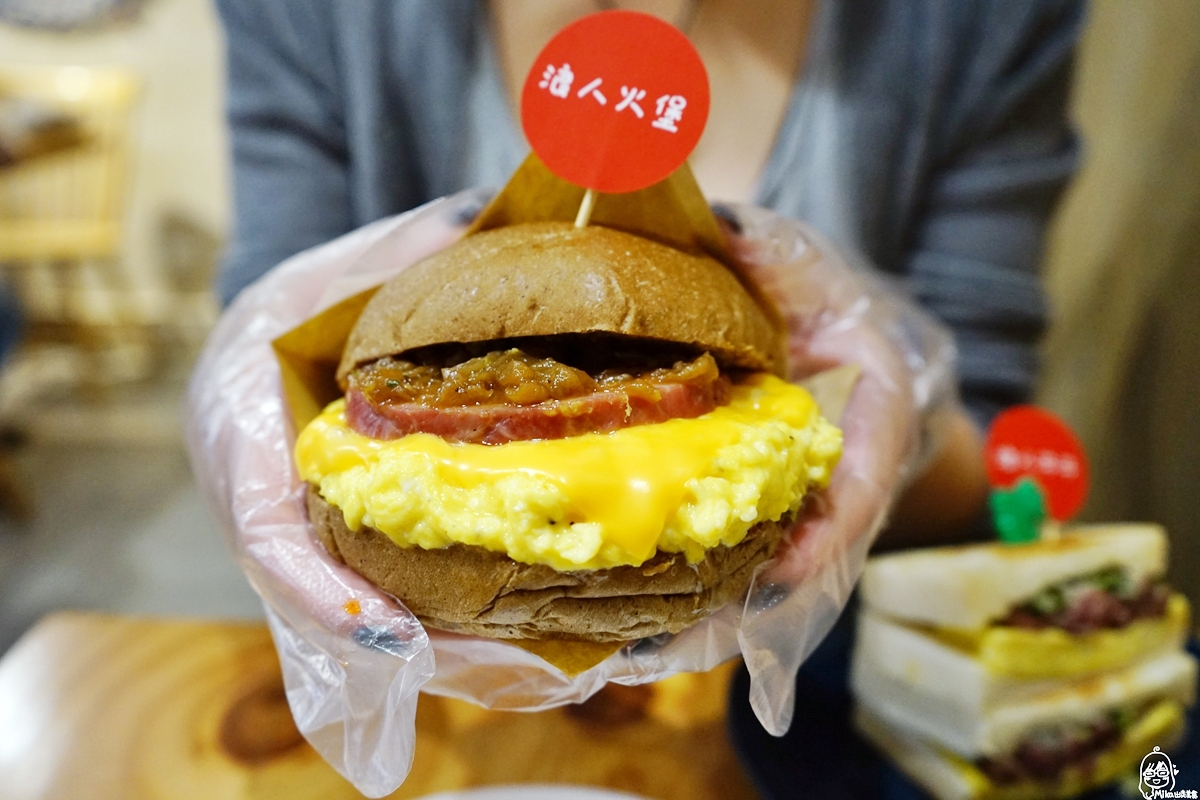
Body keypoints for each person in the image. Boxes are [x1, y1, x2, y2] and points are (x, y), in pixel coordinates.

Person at [215, 0, 1081, 547]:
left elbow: (990, 429)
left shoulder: (982, 20)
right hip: (426, 710)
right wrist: (242, 387)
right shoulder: (308, 14)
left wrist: (906, 415)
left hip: (815, 704)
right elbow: (273, 348)